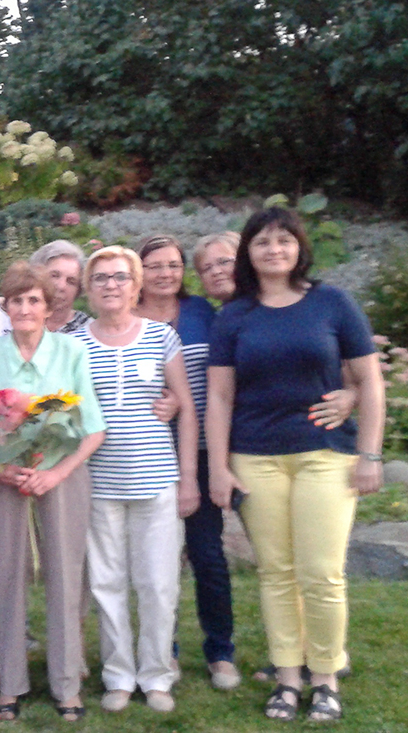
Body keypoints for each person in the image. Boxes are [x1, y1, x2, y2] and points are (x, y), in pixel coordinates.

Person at [206, 207, 384, 722]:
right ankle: (287, 677)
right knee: (277, 573)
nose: (274, 250)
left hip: (324, 456)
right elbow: (219, 396)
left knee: (321, 573)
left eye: (284, 240)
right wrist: (218, 467)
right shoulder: (234, 315)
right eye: (262, 241)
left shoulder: (332, 303)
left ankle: (325, 677)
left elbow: (369, 381)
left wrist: (370, 454)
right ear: (248, 252)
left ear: (299, 247)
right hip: (255, 458)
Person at [0, 262, 107, 722]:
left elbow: (93, 429)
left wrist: (57, 473)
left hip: (60, 478)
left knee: (65, 578)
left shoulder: (72, 351)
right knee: (5, 579)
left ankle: (67, 686)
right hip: (2, 479)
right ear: (6, 307)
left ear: (48, 307)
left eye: (34, 301)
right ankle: (10, 684)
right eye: (17, 301)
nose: (25, 308)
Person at [70, 245, 199, 714]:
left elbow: (186, 408)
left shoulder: (160, 336)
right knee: (107, 585)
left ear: (136, 285)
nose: (111, 285)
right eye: (101, 277)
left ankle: (157, 676)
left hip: (157, 480)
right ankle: (119, 676)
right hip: (98, 483)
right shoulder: (75, 344)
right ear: (89, 288)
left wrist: (189, 479)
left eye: (120, 277)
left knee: (159, 585)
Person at [135, 234, 240, 690]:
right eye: (155, 266)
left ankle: (220, 651)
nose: (165, 274)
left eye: (174, 265)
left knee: (207, 554)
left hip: (199, 448)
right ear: (139, 272)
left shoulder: (201, 313)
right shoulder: (126, 316)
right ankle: (166, 650)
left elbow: (224, 380)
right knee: (155, 561)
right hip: (146, 452)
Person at [0, 239, 91, 350]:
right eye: (54, 275)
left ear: (79, 290)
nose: (61, 286)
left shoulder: (88, 331)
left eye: (71, 281)